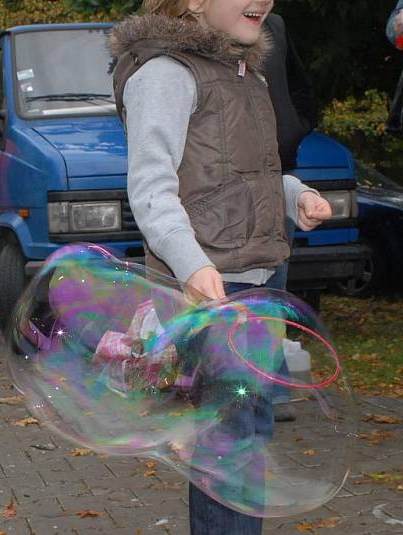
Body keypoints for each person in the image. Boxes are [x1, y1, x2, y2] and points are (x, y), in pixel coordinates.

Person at [110, 0, 332, 533]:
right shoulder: (165, 74)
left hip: (259, 274)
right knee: (228, 439)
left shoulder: (243, 73)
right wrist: (189, 264)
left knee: (248, 429)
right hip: (210, 283)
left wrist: (292, 195)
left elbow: (230, 177)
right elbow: (151, 187)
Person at [262, 12, 319, 422]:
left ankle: (270, 389)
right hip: (224, 188)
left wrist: (295, 127)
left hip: (279, 174)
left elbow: (300, 86)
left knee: (273, 286)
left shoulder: (276, 25)